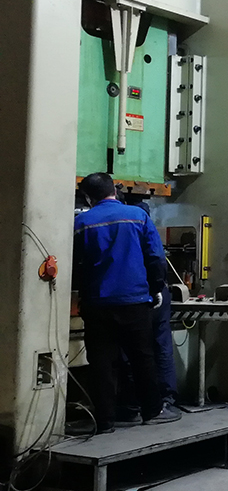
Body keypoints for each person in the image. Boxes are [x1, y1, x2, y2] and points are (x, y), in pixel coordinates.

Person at [74, 173, 180, 433]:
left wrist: (83, 293)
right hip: (135, 301)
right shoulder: (138, 216)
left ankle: (104, 420)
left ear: (87, 197)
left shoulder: (81, 222)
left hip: (97, 303)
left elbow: (76, 264)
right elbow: (155, 257)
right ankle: (152, 411)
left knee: (101, 362)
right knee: (142, 357)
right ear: (114, 189)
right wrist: (155, 288)